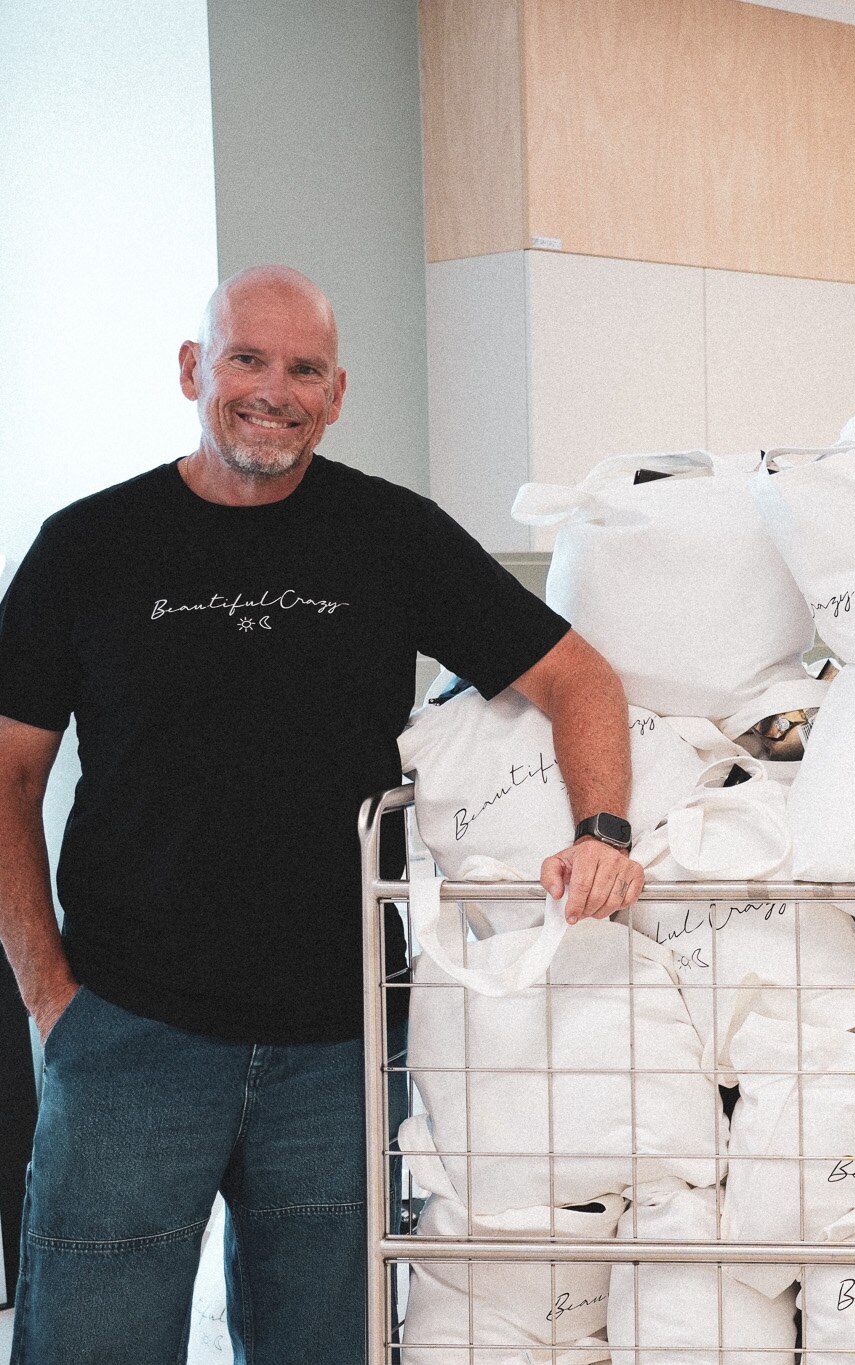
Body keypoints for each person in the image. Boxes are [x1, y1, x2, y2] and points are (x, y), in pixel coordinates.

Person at [0, 265, 646, 1362]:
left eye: (304, 369)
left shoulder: (390, 537)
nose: (274, 390)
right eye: (247, 358)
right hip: (128, 1035)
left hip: (339, 1050)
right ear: (194, 369)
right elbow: (8, 776)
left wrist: (604, 831)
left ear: (337, 394)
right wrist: (50, 993)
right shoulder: (88, 547)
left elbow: (580, 679)